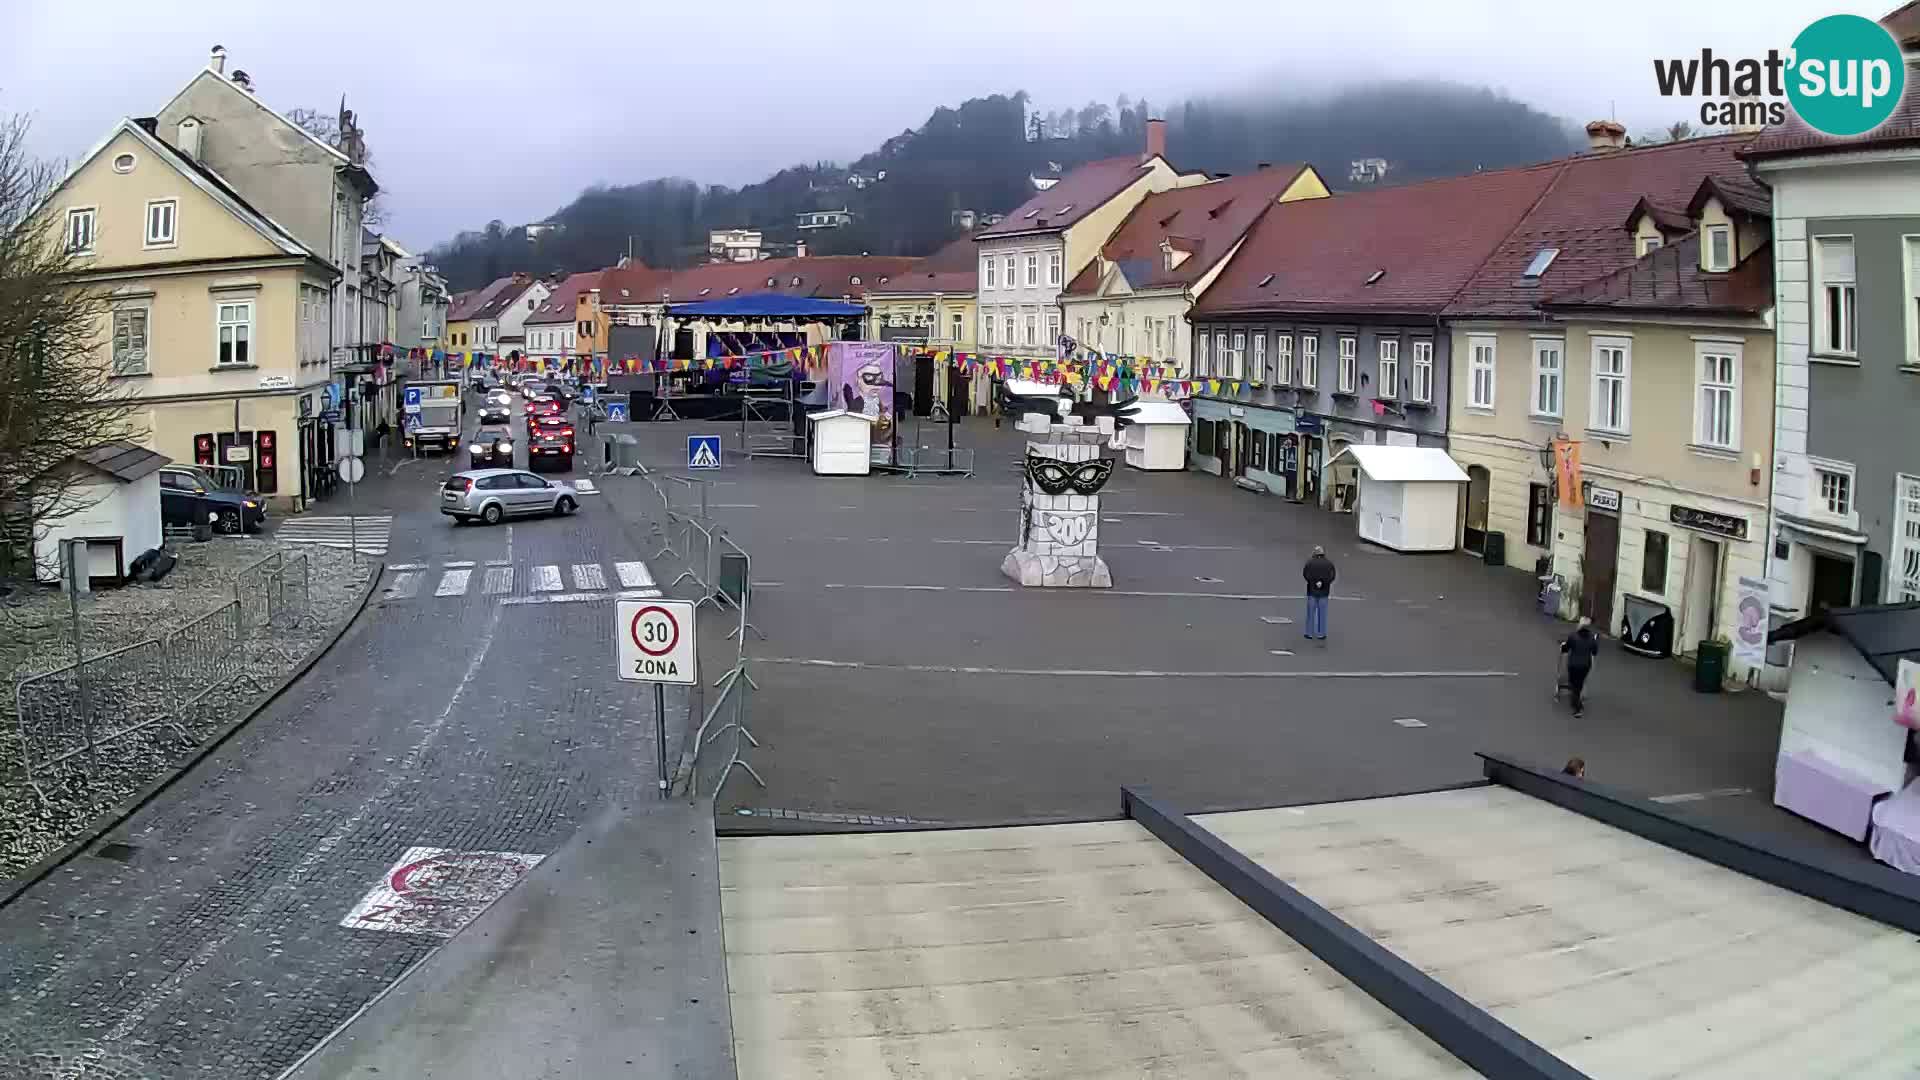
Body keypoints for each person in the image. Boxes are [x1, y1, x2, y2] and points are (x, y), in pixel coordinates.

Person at [1561, 617, 1599, 717]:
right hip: (1585, 666)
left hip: (1573, 665)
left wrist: (1563, 646)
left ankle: (1577, 709)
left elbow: (1566, 648)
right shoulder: (1591, 638)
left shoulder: (1573, 636)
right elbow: (1595, 651)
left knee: (1574, 685)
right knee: (1579, 684)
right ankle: (1577, 702)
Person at [1302, 545, 1336, 641]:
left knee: (1310, 614)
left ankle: (1309, 633)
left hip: (1312, 591)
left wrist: (1314, 582)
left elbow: (1305, 574)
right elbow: (1332, 576)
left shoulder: (1310, 563)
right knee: (1322, 613)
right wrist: (1323, 582)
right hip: (1324, 592)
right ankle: (1321, 633)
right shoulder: (1329, 564)